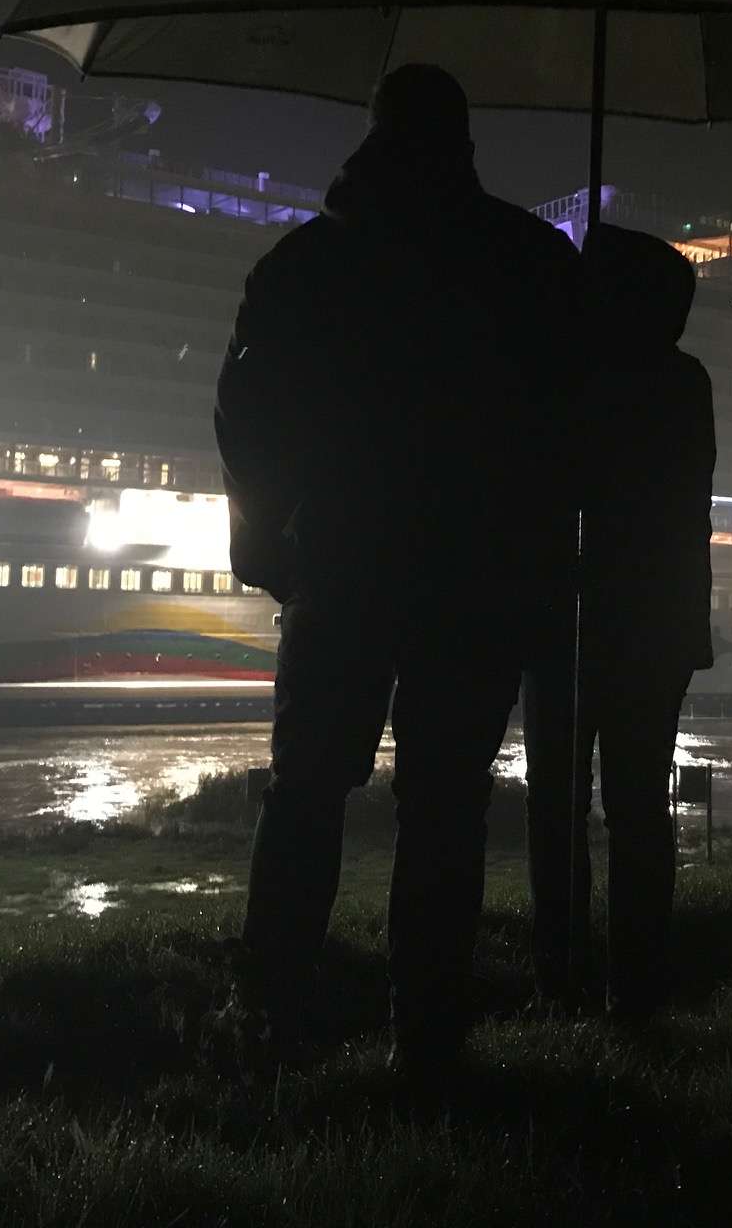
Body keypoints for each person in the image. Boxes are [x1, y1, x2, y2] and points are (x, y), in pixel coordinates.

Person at [208, 64, 579, 1079]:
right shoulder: (532, 260)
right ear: (464, 142)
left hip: (343, 559)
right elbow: (571, 428)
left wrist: (272, 541)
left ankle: (273, 1016)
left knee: (307, 791)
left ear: (371, 139)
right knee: (447, 803)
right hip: (478, 571)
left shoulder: (306, 263)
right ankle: (429, 1037)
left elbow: (246, 417)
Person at [523, 222, 715, 1022]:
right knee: (639, 809)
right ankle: (636, 982)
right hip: (657, 627)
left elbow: (545, 487)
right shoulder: (682, 381)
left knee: (558, 809)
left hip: (577, 620)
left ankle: (560, 977)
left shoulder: (577, 378)